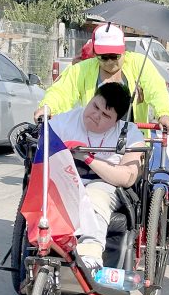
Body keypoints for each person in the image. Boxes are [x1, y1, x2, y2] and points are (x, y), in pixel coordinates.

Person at [48, 83, 145, 269]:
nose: (96, 115)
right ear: (91, 99)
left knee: (93, 195)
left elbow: (127, 177)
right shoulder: (64, 122)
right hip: (66, 180)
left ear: (117, 120)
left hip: (105, 186)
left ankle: (91, 255)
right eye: (95, 106)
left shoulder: (129, 133)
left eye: (106, 115)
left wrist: (87, 158)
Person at [34, 24, 169, 132]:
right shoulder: (82, 69)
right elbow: (61, 92)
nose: (109, 62)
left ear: (124, 51)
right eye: (104, 57)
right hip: (92, 143)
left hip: (132, 144)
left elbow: (157, 90)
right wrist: (47, 107)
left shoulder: (139, 64)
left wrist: (164, 114)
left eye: (114, 56)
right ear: (95, 54)